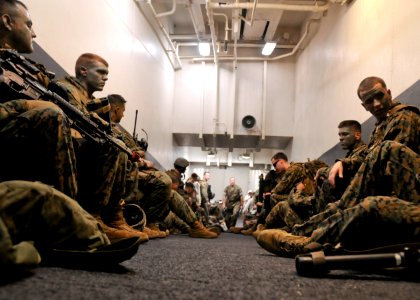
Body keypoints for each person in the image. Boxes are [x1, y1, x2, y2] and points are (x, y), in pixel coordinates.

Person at [256, 76, 420, 257]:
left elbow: (386, 168)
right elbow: (368, 160)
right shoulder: (381, 125)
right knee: (347, 201)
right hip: (387, 193)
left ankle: (309, 239)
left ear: (388, 93)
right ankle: (303, 233)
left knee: (365, 200)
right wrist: (341, 164)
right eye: (369, 101)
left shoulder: (405, 117)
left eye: (379, 96)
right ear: (364, 106)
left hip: (409, 194)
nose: (377, 104)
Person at [51, 54, 148, 242]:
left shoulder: (88, 98)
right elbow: (71, 127)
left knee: (116, 146)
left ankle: (113, 218)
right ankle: (94, 217)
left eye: (107, 74)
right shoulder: (65, 89)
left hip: (79, 151)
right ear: (83, 71)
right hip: (66, 151)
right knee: (111, 145)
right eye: (101, 72)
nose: (105, 77)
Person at [262, 120, 367, 232]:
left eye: (345, 134)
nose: (341, 138)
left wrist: (298, 191)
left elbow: (355, 161)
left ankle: (266, 228)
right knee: (285, 204)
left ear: (357, 135)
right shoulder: (352, 154)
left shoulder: (362, 153)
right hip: (320, 207)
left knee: (281, 203)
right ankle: (265, 227)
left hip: (332, 210)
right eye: (339, 135)